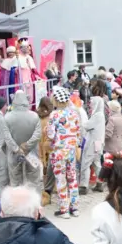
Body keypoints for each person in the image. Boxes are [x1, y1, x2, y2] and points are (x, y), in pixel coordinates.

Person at [48, 86, 82, 218]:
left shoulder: (54, 115)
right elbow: (79, 133)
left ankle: (64, 209)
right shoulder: (74, 114)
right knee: (72, 178)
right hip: (72, 150)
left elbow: (51, 135)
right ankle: (75, 208)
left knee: (61, 179)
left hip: (59, 151)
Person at [6, 91, 43, 190]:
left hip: (14, 154)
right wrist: (27, 145)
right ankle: (34, 203)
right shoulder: (34, 116)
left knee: (15, 180)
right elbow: (37, 134)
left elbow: (7, 137)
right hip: (32, 153)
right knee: (34, 180)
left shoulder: (7, 117)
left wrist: (16, 149)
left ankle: (17, 203)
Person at [79, 95, 106, 194]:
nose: (90, 105)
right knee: (96, 163)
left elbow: (87, 126)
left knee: (86, 163)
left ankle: (83, 186)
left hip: (93, 143)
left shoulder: (97, 116)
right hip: (98, 142)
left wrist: (81, 121)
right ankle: (100, 183)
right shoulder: (100, 115)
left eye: (92, 103)